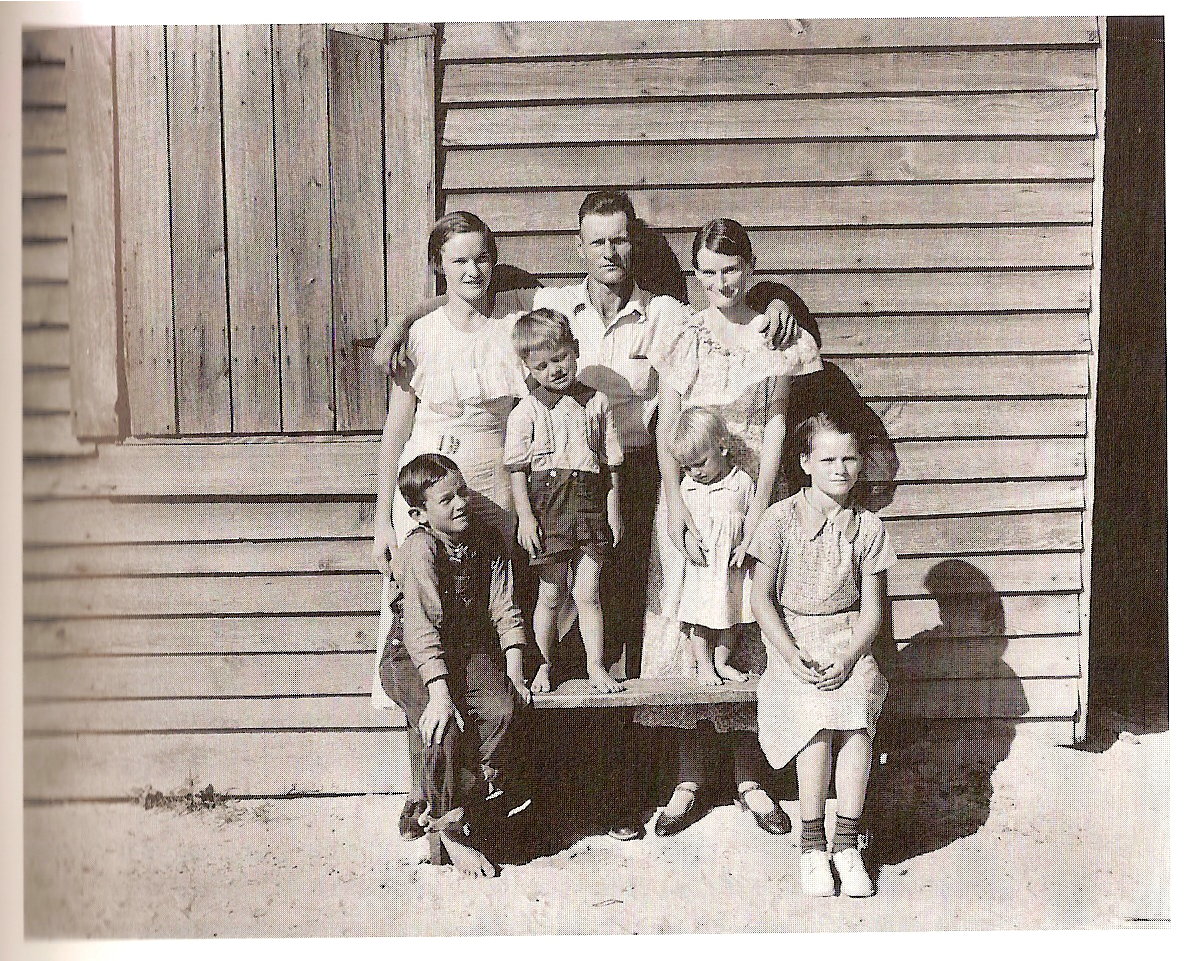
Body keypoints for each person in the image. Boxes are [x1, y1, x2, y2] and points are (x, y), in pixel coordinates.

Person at [374, 193, 810, 840]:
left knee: (642, 638)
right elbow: (459, 294)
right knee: (562, 631)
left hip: (637, 481)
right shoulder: (547, 303)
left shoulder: (665, 312)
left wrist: (778, 301)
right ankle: (550, 790)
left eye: (620, 240)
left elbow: (733, 306)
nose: (610, 252)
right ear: (578, 246)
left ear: (633, 244)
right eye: (596, 241)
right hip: (558, 490)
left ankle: (640, 788)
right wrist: (398, 324)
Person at [634, 218, 822, 837]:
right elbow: (666, 427)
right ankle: (688, 776)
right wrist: (675, 505)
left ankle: (749, 776)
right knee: (690, 625)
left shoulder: (775, 334)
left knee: (746, 627)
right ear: (696, 275)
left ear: (751, 268)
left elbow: (774, 430)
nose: (720, 283)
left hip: (750, 500)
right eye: (708, 273)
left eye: (731, 271)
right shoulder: (688, 337)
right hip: (691, 498)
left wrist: (761, 511)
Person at [370, 212, 528, 836]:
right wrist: (382, 516)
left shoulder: (514, 327)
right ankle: (423, 795)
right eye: (460, 260)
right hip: (431, 477)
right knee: (423, 633)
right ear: (440, 266)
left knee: (483, 628)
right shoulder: (424, 336)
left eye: (484, 257)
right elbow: (396, 430)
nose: (474, 269)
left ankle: (484, 790)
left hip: (491, 477)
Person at [747, 412, 896, 898]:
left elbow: (873, 612)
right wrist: (789, 655)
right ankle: (813, 846)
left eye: (849, 458)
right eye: (828, 458)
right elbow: (761, 599)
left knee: (855, 717)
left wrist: (851, 657)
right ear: (806, 462)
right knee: (813, 718)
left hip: (848, 641)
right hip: (794, 642)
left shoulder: (869, 527)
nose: (840, 468)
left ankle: (846, 845)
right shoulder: (780, 519)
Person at [384, 453, 533, 878]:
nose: (460, 504)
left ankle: (462, 801)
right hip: (411, 656)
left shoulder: (486, 541)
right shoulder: (419, 550)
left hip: (464, 651)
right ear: (419, 513)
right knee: (442, 726)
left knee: (504, 709)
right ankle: (449, 830)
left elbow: (505, 609)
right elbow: (420, 628)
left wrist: (515, 674)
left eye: (462, 492)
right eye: (446, 500)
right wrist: (439, 693)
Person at [504, 308, 624, 694]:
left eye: (559, 359)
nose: (553, 370)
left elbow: (611, 462)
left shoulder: (598, 402)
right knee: (551, 594)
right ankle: (542, 665)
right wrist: (525, 517)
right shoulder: (527, 411)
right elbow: (517, 469)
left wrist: (614, 511)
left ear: (574, 350)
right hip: (548, 508)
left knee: (588, 592)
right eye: (540, 366)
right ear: (527, 367)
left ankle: (595, 666)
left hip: (589, 506)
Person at [663, 407, 756, 687]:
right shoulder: (687, 488)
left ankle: (722, 662)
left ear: (722, 446)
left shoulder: (742, 483)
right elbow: (681, 524)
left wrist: (746, 548)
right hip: (703, 567)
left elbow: (755, 520)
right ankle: (704, 665)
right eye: (687, 467)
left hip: (732, 567)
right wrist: (688, 542)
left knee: (734, 616)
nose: (695, 472)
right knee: (700, 619)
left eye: (700, 463)